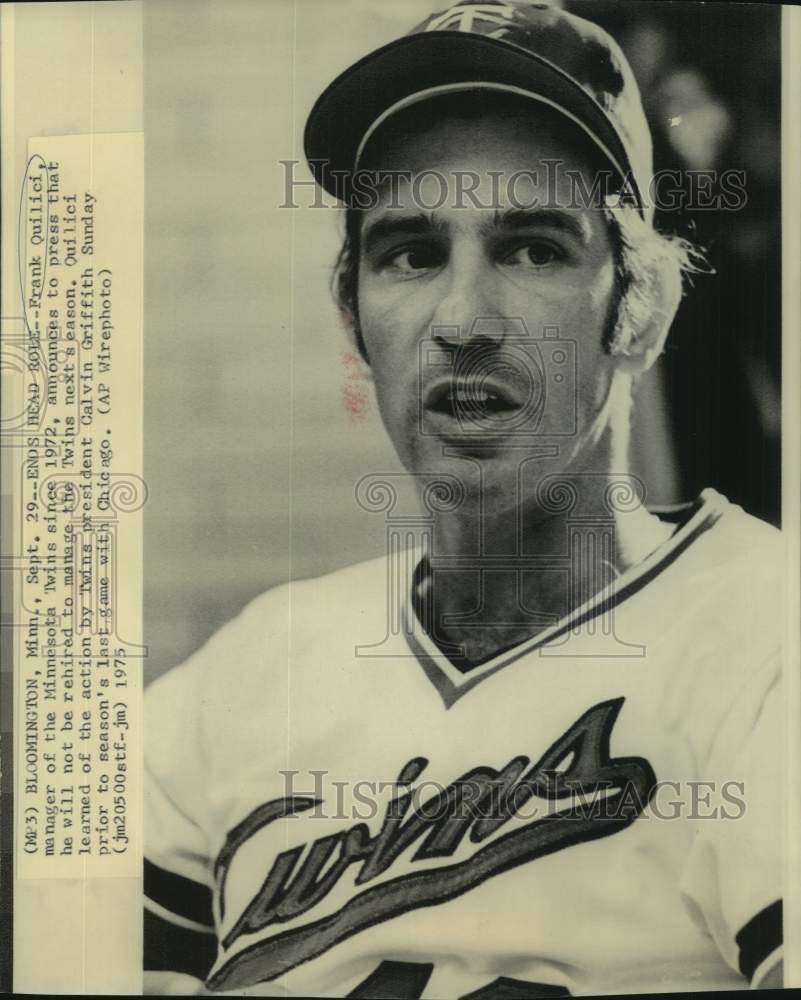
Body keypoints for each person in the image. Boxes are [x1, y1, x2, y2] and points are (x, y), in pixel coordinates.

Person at [143, 2, 783, 995]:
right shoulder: (242, 678)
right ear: (351, 310)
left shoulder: (767, 640)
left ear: (642, 308)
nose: (464, 320)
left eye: (532, 249)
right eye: (411, 251)